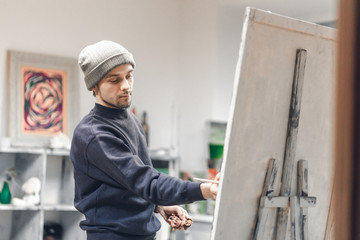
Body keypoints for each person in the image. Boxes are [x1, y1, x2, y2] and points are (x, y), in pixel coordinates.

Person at [70, 40, 220, 240]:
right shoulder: (93, 134)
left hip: (144, 233)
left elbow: (134, 180)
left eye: (129, 76)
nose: (125, 86)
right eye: (114, 80)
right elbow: (146, 181)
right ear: (95, 86)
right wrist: (207, 190)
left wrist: (159, 204)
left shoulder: (129, 119)